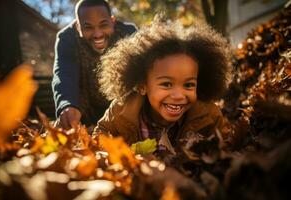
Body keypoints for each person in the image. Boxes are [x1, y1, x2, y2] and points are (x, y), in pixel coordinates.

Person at [93, 17, 232, 156]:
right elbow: (99, 139)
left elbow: (227, 148)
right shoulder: (121, 111)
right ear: (142, 85)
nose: (178, 95)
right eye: (166, 84)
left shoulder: (209, 115)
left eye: (188, 85)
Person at [52, 0, 137, 130]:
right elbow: (64, 74)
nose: (97, 34)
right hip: (84, 115)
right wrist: (67, 105)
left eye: (103, 25)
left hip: (123, 111)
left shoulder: (129, 34)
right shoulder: (67, 39)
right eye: (88, 27)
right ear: (78, 27)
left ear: (112, 21)